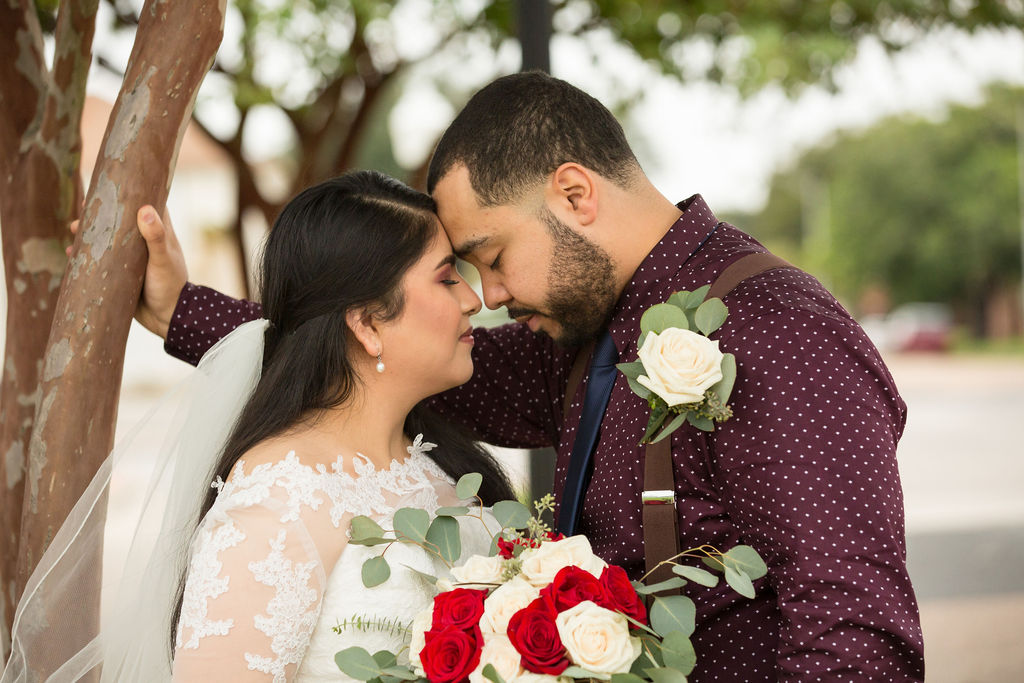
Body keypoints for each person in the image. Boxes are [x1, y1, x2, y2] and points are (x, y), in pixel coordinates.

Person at [130, 73, 925, 680]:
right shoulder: (584, 339)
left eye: (492, 257)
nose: (491, 296)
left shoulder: (777, 333)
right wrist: (181, 313)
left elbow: (857, 636)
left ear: (574, 194)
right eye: (462, 273)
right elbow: (383, 360)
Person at [2, 171, 513, 682]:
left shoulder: (442, 466)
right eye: (447, 278)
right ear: (368, 323)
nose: (473, 299)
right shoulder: (279, 500)